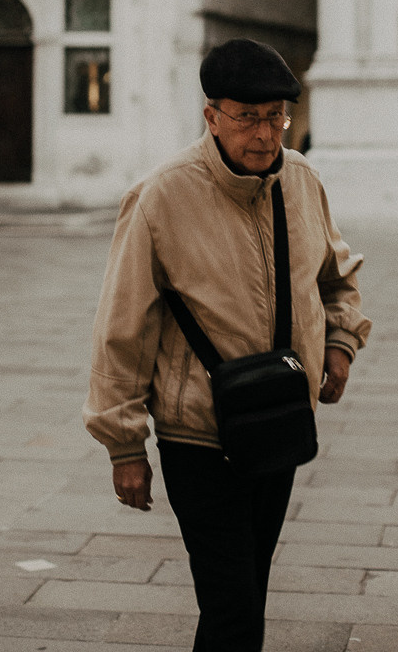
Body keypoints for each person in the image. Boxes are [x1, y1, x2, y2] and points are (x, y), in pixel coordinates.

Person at [83, 38, 371, 651]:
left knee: (242, 598)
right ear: (211, 116)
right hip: (198, 438)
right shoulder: (162, 195)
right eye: (247, 118)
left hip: (279, 423)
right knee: (233, 606)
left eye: (275, 117)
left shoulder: (302, 181)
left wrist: (341, 343)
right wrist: (124, 446)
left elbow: (336, 277)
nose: (264, 134)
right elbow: (122, 324)